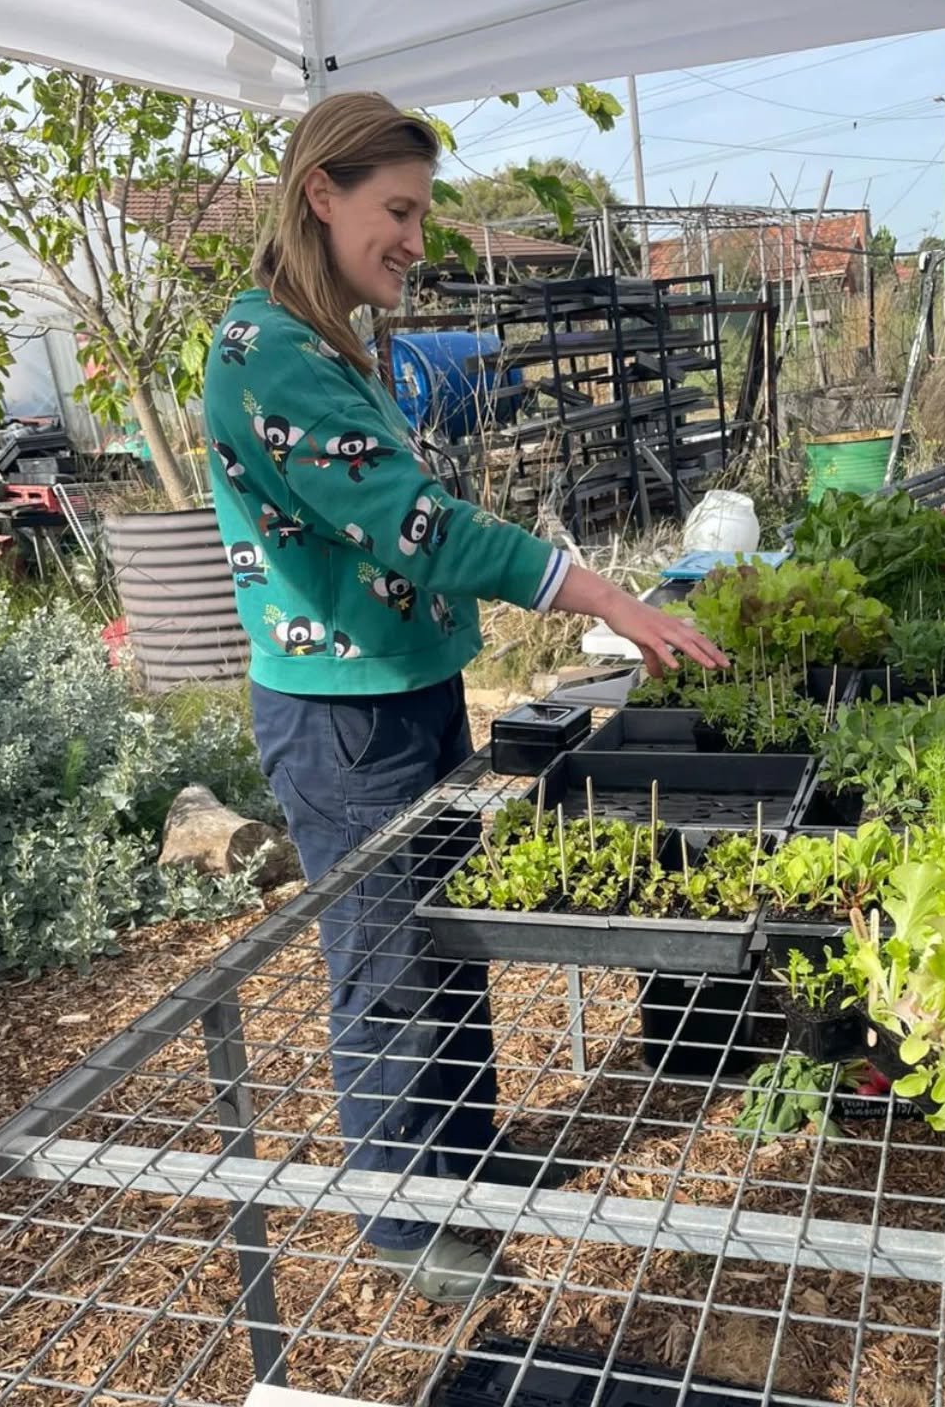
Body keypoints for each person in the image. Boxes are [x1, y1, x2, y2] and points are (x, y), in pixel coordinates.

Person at [201, 92, 726, 1306]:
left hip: (410, 685)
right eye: (398, 210)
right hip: (342, 716)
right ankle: (402, 1214)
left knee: (447, 940)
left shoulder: (332, 338)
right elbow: (412, 524)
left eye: (422, 213)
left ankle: (465, 1161)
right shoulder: (265, 353)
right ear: (318, 194)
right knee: (385, 961)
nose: (414, 239)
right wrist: (588, 586)